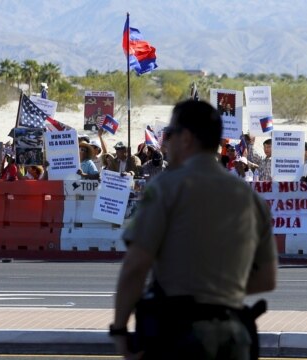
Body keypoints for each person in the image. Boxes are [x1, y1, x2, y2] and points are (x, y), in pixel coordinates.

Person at [112, 100, 277, 359]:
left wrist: (119, 331)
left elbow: (135, 266)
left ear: (186, 137)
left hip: (178, 334)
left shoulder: (166, 187)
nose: (166, 141)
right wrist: (219, 291)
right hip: (233, 335)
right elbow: (267, 278)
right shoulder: (250, 198)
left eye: (170, 134)